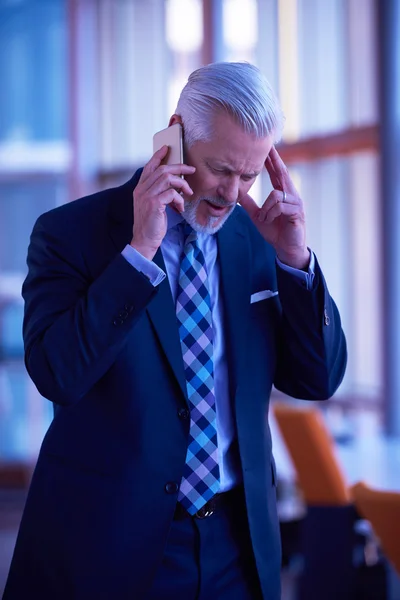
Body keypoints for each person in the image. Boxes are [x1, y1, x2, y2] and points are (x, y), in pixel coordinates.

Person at [4, 62, 346, 600]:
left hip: (236, 545)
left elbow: (319, 378)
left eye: (250, 176)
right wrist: (139, 254)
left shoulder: (259, 237)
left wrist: (295, 259)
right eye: (221, 170)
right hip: (109, 545)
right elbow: (57, 375)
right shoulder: (70, 234)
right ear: (176, 136)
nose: (233, 195)